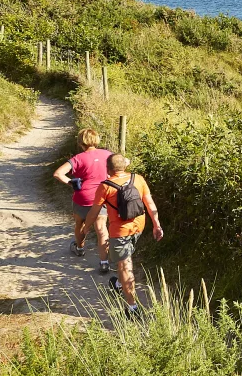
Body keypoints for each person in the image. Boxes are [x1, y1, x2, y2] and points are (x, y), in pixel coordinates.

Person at [83, 153, 163, 317]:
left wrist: (86, 227)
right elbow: (150, 203)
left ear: (108, 169)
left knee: (125, 266)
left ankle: (132, 308)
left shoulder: (105, 186)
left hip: (120, 232)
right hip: (139, 227)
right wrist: (157, 225)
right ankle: (119, 284)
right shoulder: (138, 179)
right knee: (125, 257)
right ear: (125, 166)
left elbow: (94, 211)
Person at [53, 128, 112, 273]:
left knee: (79, 223)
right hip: (102, 197)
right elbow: (123, 163)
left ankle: (79, 248)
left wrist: (71, 182)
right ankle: (104, 262)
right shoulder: (108, 154)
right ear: (97, 139)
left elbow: (58, 173)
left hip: (82, 197)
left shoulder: (77, 158)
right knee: (101, 229)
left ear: (81, 142)